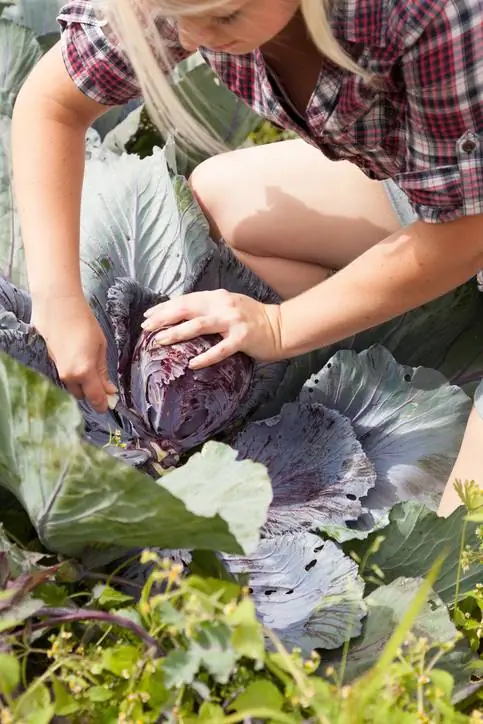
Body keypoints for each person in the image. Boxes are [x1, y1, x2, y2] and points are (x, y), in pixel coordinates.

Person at [11, 0, 482, 514]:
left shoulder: (432, 15)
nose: (196, 36)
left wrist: (280, 327)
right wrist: (57, 299)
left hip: (467, 220)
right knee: (221, 199)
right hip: (450, 188)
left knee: (463, 529)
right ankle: (438, 317)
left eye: (227, 17)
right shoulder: (185, 7)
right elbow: (52, 104)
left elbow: (468, 232)